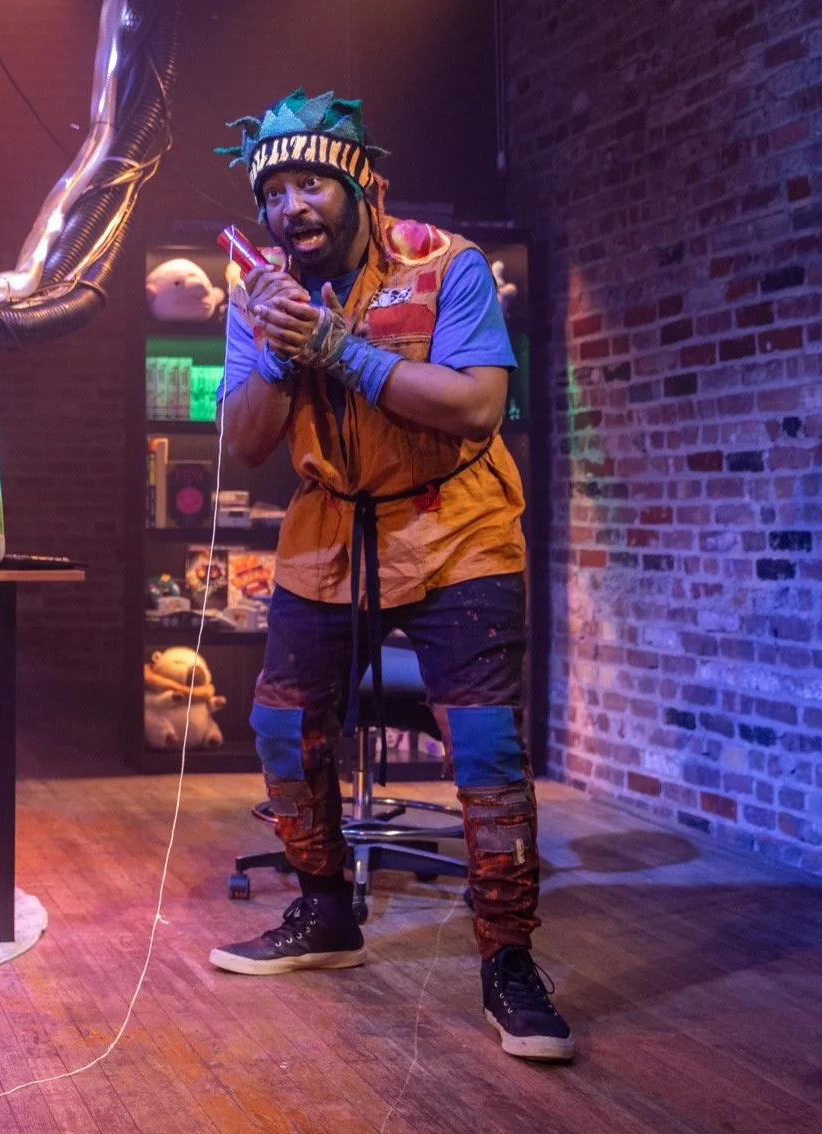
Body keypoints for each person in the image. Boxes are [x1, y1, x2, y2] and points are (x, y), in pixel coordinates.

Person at [207, 89, 574, 1062]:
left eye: (312, 181)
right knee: (283, 727)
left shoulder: (447, 265)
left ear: (364, 185)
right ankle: (326, 912)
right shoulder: (260, 292)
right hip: (331, 526)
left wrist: (339, 348)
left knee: (489, 758)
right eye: (274, 190)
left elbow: (476, 407)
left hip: (457, 522)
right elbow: (245, 444)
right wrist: (283, 349)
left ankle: (509, 963)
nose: (293, 207)